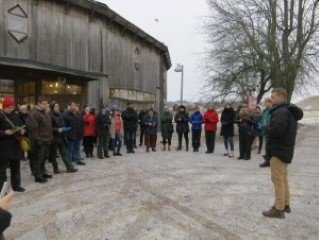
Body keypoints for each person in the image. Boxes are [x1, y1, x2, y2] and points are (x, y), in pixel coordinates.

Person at [262, 88, 303, 219]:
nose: (271, 99)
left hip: (279, 149)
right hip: (285, 149)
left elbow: (277, 130)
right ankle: (285, 204)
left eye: (273, 97)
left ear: (280, 97)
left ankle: (278, 209)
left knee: (277, 179)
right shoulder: (288, 110)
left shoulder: (280, 111)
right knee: (283, 178)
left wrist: (265, 127)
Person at [0, 96, 26, 191]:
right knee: (2, 172)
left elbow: (20, 125)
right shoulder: (1, 115)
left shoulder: (16, 115)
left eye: (13, 106)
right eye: (10, 106)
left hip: (15, 145)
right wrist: (4, 132)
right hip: (3, 147)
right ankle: (2, 190)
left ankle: (16, 186)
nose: (12, 108)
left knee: (16, 168)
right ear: (5, 107)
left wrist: (22, 130)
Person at [28, 96, 53, 183]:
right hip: (40, 140)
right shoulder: (34, 113)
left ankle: (43, 172)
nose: (46, 105)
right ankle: (37, 175)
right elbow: (34, 128)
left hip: (47, 139)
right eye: (44, 104)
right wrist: (38, 139)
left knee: (44, 158)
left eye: (47, 103)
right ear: (38, 104)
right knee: (38, 158)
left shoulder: (45, 113)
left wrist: (50, 137)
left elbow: (49, 127)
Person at [48, 101, 78, 173]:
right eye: (55, 106)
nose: (57, 107)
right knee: (53, 155)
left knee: (64, 153)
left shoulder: (60, 114)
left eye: (58, 106)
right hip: (53, 138)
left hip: (61, 137)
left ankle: (70, 167)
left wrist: (64, 128)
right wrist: (57, 129)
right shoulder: (49, 115)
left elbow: (62, 124)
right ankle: (56, 169)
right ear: (52, 107)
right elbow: (49, 128)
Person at [259, 98, 273, 167]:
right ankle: (267, 160)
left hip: (270, 130)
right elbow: (263, 119)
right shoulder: (265, 111)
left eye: (267, 102)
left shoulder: (273, 110)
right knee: (267, 146)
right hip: (265, 130)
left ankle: (268, 161)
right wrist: (261, 125)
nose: (266, 104)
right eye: (265, 103)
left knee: (270, 146)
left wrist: (265, 125)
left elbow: (271, 121)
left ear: (271, 103)